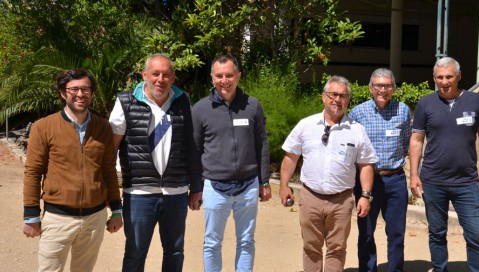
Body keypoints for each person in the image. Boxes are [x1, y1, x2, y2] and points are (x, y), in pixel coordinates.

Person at [22, 69, 123, 272]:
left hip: (94, 218)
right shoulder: (44, 127)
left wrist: (116, 210)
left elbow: (108, 170)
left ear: (92, 93)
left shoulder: (102, 127)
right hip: (58, 218)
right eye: (74, 89)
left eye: (85, 89)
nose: (80, 94)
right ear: (62, 93)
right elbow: (33, 171)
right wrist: (31, 214)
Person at [109, 53, 202, 272]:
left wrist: (196, 187)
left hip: (176, 193)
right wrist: (110, 195)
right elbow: (109, 150)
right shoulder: (126, 101)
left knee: (175, 252)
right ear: (145, 75)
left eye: (166, 74)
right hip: (139, 194)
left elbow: (191, 147)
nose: (161, 79)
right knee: (135, 253)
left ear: (173, 77)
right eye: (155, 74)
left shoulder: (183, 101)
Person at [409, 57, 479, 272]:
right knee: (437, 233)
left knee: (476, 234)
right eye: (439, 77)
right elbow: (416, 140)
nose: (444, 81)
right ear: (434, 78)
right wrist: (414, 175)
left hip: (466, 182)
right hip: (433, 181)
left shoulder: (474, 101)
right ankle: (440, 269)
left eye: (449, 76)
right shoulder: (425, 103)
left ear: (458, 77)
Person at [279, 75, 379, 272]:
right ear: (323, 97)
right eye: (333, 94)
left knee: (337, 248)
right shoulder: (306, 125)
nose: (337, 100)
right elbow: (290, 157)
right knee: (310, 247)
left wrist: (365, 195)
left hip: (341, 201)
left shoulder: (357, 130)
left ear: (348, 100)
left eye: (343, 96)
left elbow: (366, 165)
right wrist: (283, 186)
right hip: (310, 197)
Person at [192, 54, 271, 272]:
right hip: (214, 187)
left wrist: (264, 182)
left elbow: (262, 145)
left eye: (229, 75)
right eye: (219, 76)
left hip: (248, 186)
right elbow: (195, 150)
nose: (224, 81)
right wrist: (196, 187)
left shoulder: (252, 106)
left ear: (238, 76)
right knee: (212, 242)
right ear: (212, 77)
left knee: (246, 241)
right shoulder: (200, 109)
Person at [349, 68, 412, 272]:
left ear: (393, 88)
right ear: (370, 88)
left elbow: (407, 143)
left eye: (387, 85)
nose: (382, 90)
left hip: (395, 180)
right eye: (378, 85)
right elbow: (351, 148)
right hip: (368, 181)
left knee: (396, 233)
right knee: (366, 233)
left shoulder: (402, 110)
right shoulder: (358, 113)